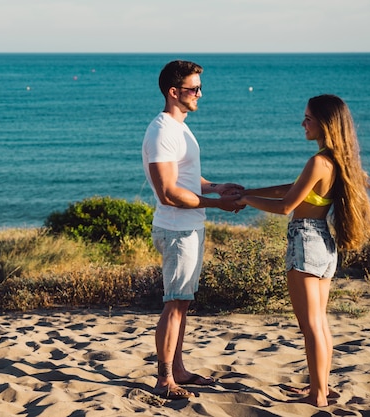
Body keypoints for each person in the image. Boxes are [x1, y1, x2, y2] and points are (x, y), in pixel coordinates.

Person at [236, 94, 370, 407]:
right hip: (323, 245)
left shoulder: (318, 162)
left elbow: (287, 205)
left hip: (305, 242)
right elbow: (291, 188)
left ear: (325, 123)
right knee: (319, 322)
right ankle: (321, 387)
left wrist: (245, 201)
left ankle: (317, 395)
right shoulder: (335, 161)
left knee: (310, 325)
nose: (303, 123)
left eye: (308, 118)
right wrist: (247, 191)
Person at [142, 60, 244, 400]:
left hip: (189, 227)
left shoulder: (180, 127)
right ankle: (164, 378)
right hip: (176, 230)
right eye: (193, 88)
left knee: (182, 303)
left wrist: (215, 186)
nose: (200, 93)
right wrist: (217, 204)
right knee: (174, 304)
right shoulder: (161, 131)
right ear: (174, 92)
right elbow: (168, 191)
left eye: (199, 87)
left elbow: (185, 177)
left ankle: (179, 369)